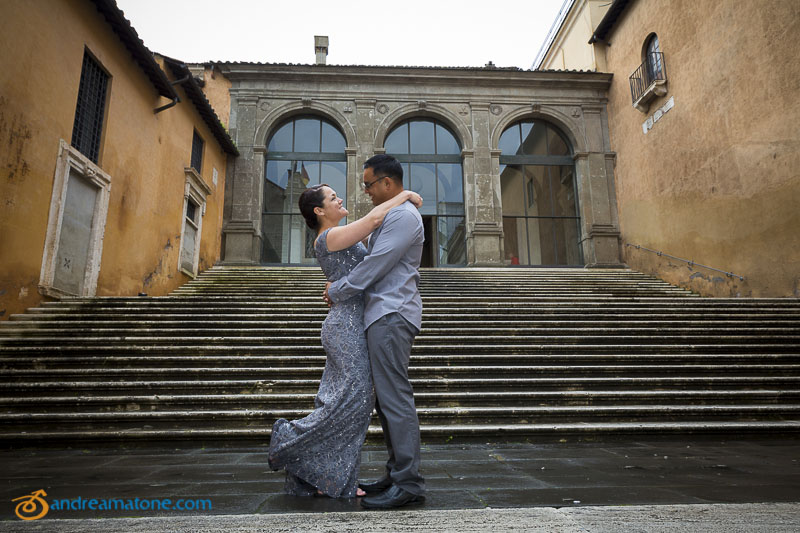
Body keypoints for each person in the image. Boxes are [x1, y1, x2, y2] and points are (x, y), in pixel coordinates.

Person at [267, 180, 422, 499]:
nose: (341, 200)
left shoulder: (340, 234)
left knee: (349, 400)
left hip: (356, 319)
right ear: (319, 210)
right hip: (346, 324)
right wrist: (403, 195)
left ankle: (325, 474)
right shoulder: (332, 236)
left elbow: (378, 241)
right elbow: (376, 219)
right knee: (353, 399)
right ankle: (288, 440)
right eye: (333, 198)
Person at [323, 154, 426, 509]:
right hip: (383, 313)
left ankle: (409, 482)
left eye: (368, 184)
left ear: (386, 182)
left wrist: (337, 290)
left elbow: (377, 265)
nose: (365, 191)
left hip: (392, 313)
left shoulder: (402, 217)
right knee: (386, 399)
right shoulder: (394, 212)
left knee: (395, 397)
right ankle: (397, 473)